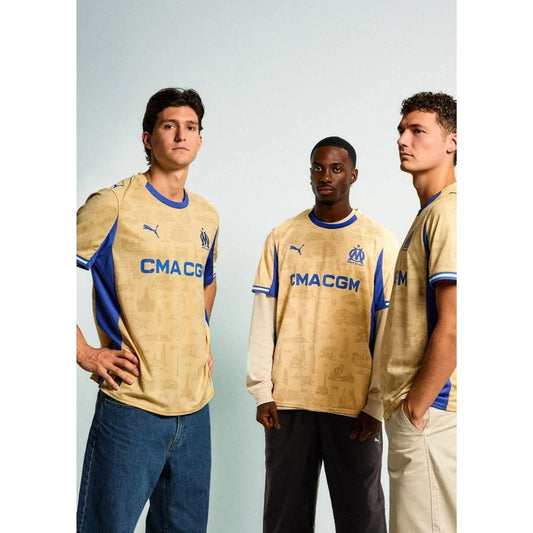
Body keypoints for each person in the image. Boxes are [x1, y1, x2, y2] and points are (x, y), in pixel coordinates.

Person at [76, 87, 219, 533]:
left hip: (194, 410)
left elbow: (206, 280)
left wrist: (200, 341)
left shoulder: (207, 216)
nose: (181, 135)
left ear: (200, 139)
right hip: (131, 407)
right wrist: (85, 353)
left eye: (190, 127)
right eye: (169, 125)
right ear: (147, 137)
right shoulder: (114, 204)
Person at [247, 136, 398, 533]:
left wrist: (376, 404)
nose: (325, 176)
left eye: (336, 169)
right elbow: (263, 317)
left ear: (353, 175)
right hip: (288, 402)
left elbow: (386, 328)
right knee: (284, 516)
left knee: (362, 516)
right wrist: (262, 390)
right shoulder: (283, 237)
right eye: (318, 168)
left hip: (352, 407)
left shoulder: (378, 242)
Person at [379, 91, 457, 533]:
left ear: (452, 142)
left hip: (431, 414)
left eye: (417, 131)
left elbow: (456, 324)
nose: (403, 140)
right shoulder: (428, 215)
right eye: (401, 131)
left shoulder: (449, 212)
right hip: (421, 415)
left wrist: (416, 406)